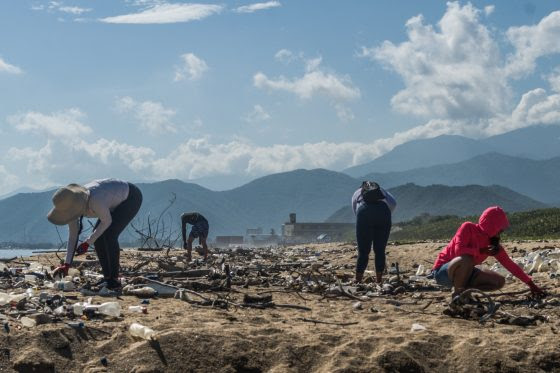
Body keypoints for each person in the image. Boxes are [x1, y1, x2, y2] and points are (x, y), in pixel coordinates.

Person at [47, 178, 143, 290]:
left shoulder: (95, 200)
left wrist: (87, 242)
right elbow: (73, 236)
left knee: (109, 235)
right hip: (111, 200)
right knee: (98, 239)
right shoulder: (69, 210)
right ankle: (107, 278)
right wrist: (67, 264)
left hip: (130, 197)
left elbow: (107, 221)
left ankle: (114, 280)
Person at [432, 206, 545, 298]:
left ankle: (464, 290)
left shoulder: (493, 243)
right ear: (492, 225)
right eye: (499, 227)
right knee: (466, 258)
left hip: (465, 273)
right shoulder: (468, 227)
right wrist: (481, 250)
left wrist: (531, 285)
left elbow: (510, 265)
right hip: (443, 271)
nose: (501, 231)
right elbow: (459, 252)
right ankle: (458, 295)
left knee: (499, 281)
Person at [352, 181, 397, 283]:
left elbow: (355, 209)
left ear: (363, 188)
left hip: (364, 213)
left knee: (363, 251)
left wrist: (362, 218)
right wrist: (386, 213)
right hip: (383, 212)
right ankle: (379, 280)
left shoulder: (357, 192)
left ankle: (358, 280)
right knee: (380, 250)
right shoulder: (382, 191)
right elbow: (394, 203)